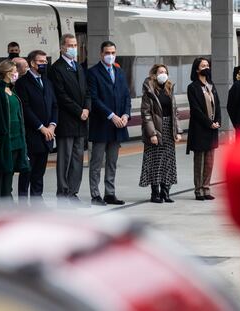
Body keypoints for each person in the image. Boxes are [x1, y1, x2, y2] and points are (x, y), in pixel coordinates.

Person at [88, 41, 131, 206]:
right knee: (97, 162)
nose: (110, 55)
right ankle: (95, 194)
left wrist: (126, 115)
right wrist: (111, 115)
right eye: (107, 52)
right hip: (101, 124)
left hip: (118, 125)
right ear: (101, 54)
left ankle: (110, 193)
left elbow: (127, 96)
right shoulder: (93, 73)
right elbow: (94, 98)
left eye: (113, 52)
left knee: (112, 162)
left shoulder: (119, 72)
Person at [49, 34, 90, 200]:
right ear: (62, 47)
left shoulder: (78, 67)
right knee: (64, 159)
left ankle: (73, 192)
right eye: (70, 45)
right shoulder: (56, 68)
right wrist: (79, 111)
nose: (73, 48)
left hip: (81, 122)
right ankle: (63, 192)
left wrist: (87, 108)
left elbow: (87, 91)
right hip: (66, 121)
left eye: (75, 45)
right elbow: (60, 95)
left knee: (77, 159)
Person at [15, 50, 57, 199]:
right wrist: (41, 127)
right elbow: (25, 108)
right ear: (32, 63)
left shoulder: (47, 82)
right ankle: (23, 202)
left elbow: (54, 105)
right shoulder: (22, 83)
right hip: (32, 135)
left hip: (47, 135)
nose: (44, 64)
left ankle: (37, 200)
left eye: (45, 62)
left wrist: (52, 125)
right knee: (27, 171)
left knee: (39, 172)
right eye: (41, 62)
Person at [0, 60, 30, 198]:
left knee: (9, 169)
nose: (17, 73)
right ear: (8, 73)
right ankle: (0, 200)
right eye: (15, 71)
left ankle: (7, 197)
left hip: (16, 136)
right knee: (0, 169)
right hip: (3, 137)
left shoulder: (11, 89)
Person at [139, 64, 182, 203]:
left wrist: (177, 131)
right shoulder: (149, 90)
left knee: (168, 161)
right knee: (156, 161)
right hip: (156, 128)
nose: (163, 74)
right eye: (160, 72)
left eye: (165, 72)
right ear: (154, 74)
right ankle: (155, 193)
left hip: (169, 128)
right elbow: (146, 114)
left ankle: (166, 191)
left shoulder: (169, 88)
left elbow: (175, 112)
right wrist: (152, 134)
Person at [186, 57, 221, 201]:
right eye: (203, 65)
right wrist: (208, 123)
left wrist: (217, 121)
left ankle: (207, 188)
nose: (206, 67)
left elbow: (217, 105)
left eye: (207, 65)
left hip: (212, 129)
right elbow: (195, 109)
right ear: (197, 69)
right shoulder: (193, 87)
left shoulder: (211, 85)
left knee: (210, 161)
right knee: (199, 160)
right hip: (200, 128)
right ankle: (198, 189)